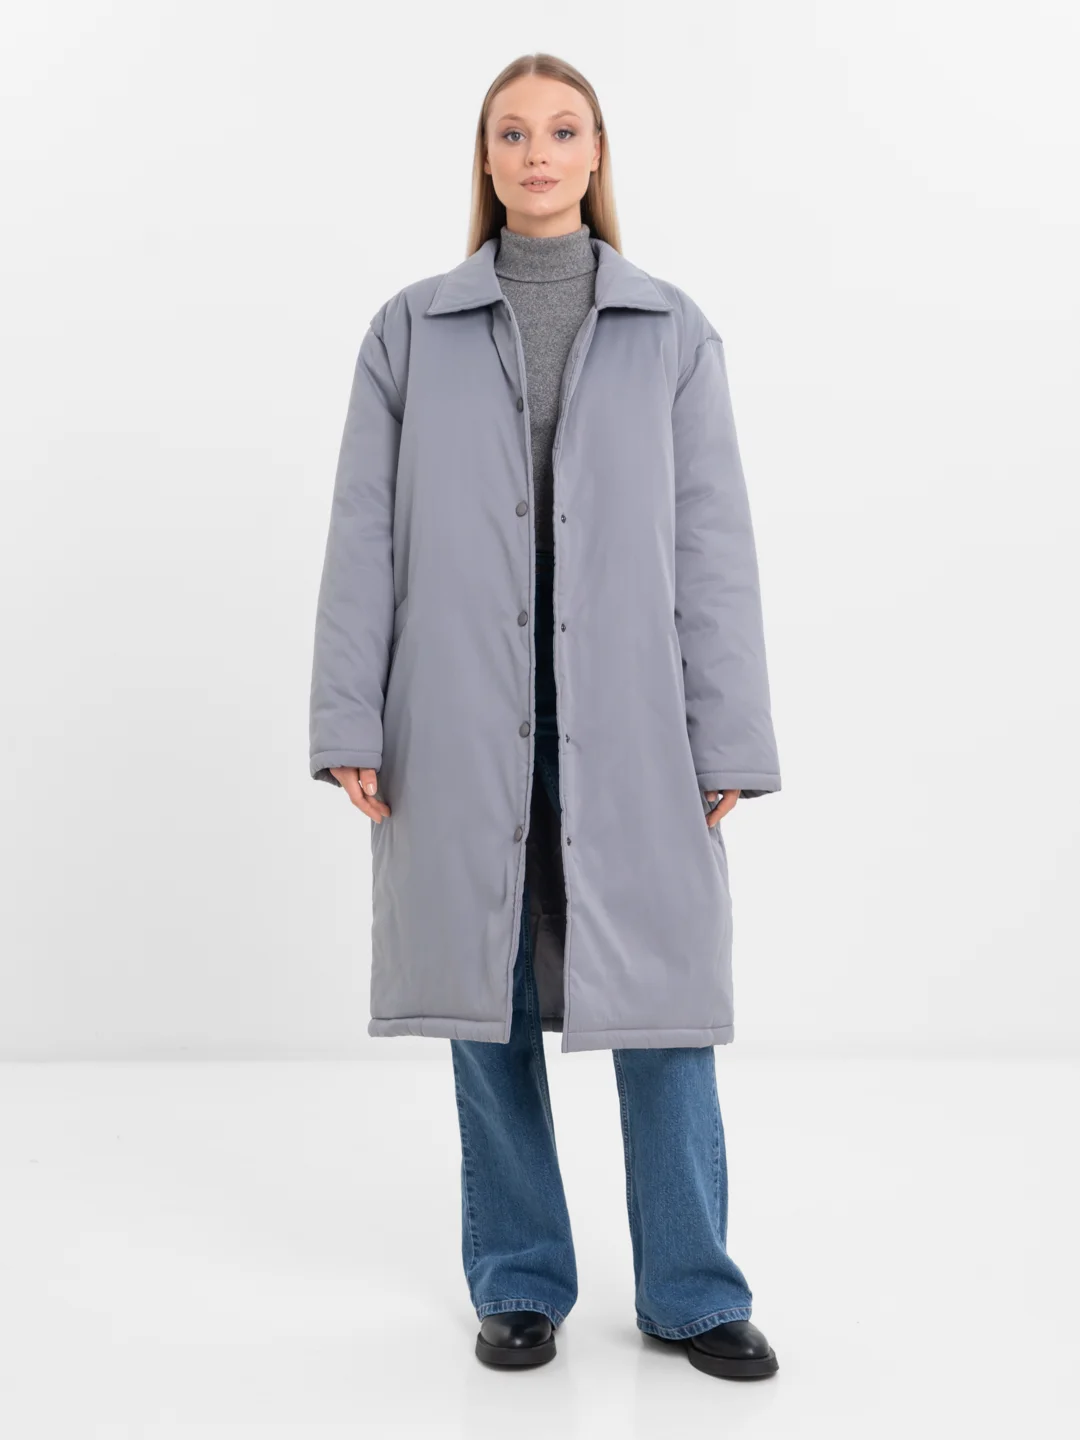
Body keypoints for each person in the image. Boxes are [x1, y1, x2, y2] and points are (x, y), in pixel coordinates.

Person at [309, 53, 782, 1380]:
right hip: (458, 710)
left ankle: (693, 1290)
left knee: (665, 1002)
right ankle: (518, 1281)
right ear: (486, 157)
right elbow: (361, 534)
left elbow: (713, 547)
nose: (537, 153)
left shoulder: (674, 331)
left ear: (596, 153)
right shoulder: (410, 331)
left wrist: (731, 734)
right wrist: (348, 716)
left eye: (562, 130)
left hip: (633, 716)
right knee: (489, 1000)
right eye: (512, 132)